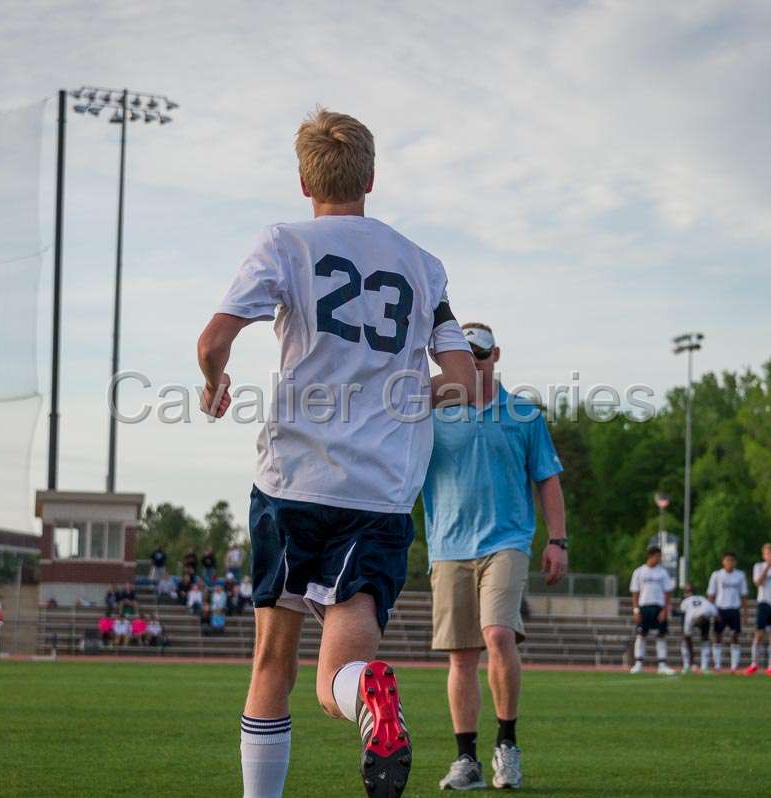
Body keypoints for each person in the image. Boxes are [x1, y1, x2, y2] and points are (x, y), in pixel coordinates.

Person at [196, 107, 475, 798]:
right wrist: (408, 401)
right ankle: (368, 694)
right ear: (371, 178)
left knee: (273, 668)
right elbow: (464, 383)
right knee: (335, 682)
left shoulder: (284, 241)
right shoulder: (422, 263)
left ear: (303, 180)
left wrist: (213, 383)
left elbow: (213, 341)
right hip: (378, 495)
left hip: (293, 481)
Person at [420, 322, 566, 791]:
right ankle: (467, 760)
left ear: (496, 355)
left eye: (480, 354)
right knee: (461, 658)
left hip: (507, 541)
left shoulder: (525, 415)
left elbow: (547, 479)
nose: (473, 362)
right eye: (464, 355)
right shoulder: (432, 417)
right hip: (447, 547)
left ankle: (507, 745)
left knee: (499, 634)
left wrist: (557, 540)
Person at [629, 546, 676, 675]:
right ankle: (638, 664)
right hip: (644, 606)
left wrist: (665, 610)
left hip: (658, 607)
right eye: (658, 556)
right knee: (641, 635)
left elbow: (668, 593)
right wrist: (636, 610)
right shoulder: (639, 572)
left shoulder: (662, 573)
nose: (659, 559)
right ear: (651, 556)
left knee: (661, 635)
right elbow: (635, 592)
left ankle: (662, 665)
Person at [745, 543, 771, 676]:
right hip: (764, 602)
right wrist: (767, 568)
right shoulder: (758, 566)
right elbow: (758, 583)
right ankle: (754, 663)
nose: (770, 556)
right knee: (759, 634)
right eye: (767, 554)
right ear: (764, 555)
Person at [706, 551, 748, 673]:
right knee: (718, 637)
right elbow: (711, 594)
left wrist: (745, 612)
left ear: (735, 562)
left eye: (732, 560)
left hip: (734, 608)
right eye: (727, 560)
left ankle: (734, 666)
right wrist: (711, 610)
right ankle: (717, 665)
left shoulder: (740, 575)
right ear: (723, 562)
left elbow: (744, 595)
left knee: (735, 636)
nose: (730, 563)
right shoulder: (717, 575)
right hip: (720, 609)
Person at [678, 585, 718, 674]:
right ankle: (687, 665)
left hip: (703, 619)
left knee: (705, 639)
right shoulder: (689, 614)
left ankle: (704, 666)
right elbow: (686, 635)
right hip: (691, 617)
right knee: (686, 639)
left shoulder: (708, 609)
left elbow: (717, 616)